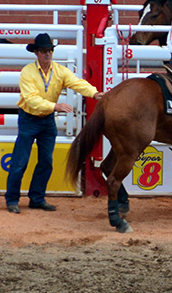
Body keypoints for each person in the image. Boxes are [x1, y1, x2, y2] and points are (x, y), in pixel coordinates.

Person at [5, 33, 103, 214]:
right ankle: (12, 199)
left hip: (45, 119)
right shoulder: (28, 72)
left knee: (46, 161)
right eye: (43, 51)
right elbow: (31, 99)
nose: (47, 54)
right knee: (21, 161)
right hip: (30, 118)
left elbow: (76, 83)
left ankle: (37, 198)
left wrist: (94, 93)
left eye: (49, 50)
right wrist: (55, 106)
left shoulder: (59, 71)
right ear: (36, 53)